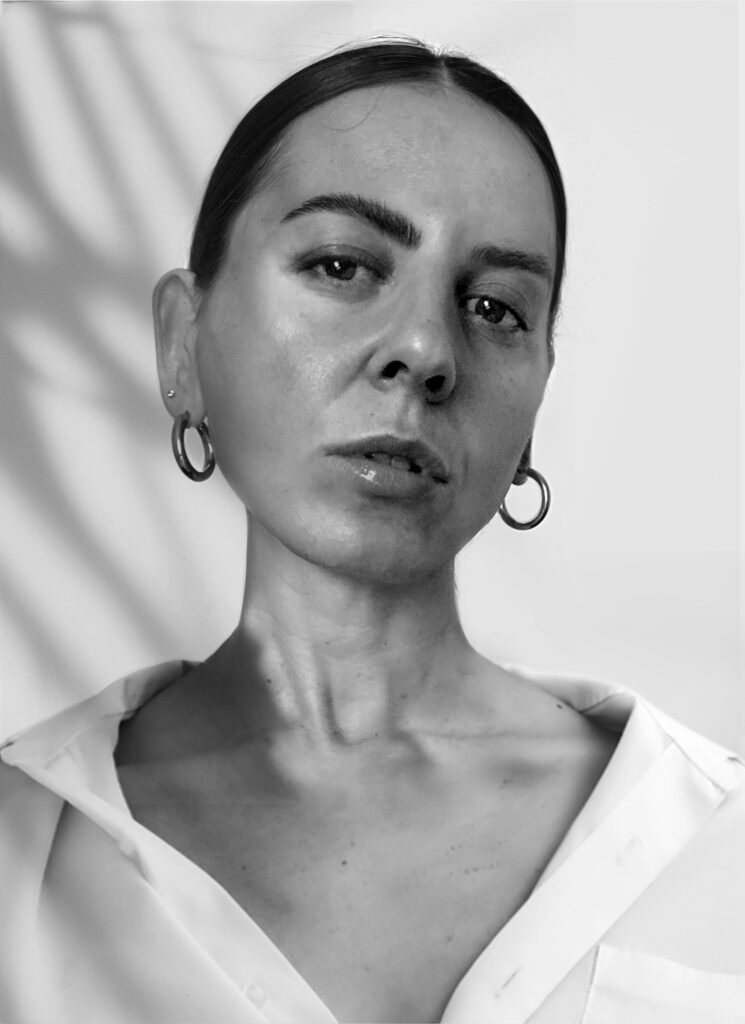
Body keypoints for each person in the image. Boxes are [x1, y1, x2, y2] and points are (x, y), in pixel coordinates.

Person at [1, 37, 743, 1024]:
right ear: (183, 340)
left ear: (536, 401)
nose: (426, 350)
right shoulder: (23, 839)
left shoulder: (711, 837)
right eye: (342, 265)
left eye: (495, 308)